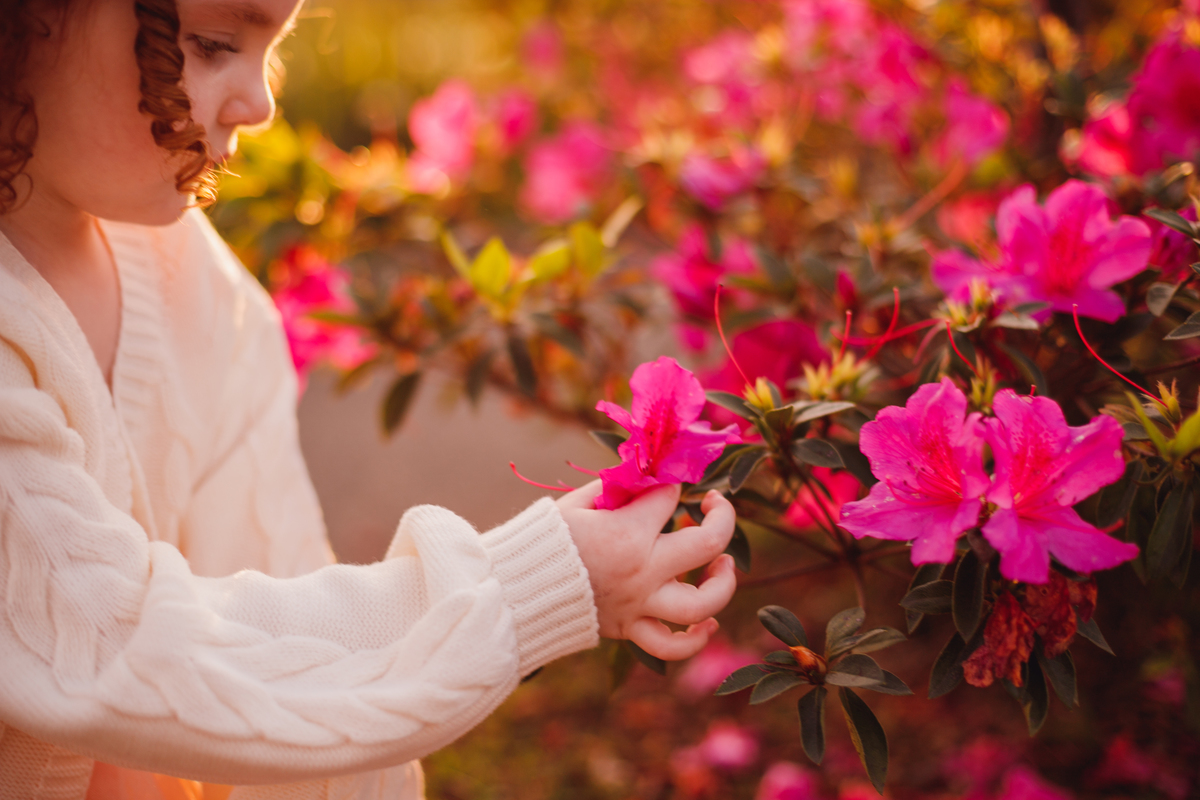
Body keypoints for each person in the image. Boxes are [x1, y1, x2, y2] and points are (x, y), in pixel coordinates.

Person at [0, 0, 739, 797]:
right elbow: (105, 637)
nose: (261, 103)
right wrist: (532, 586)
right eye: (213, 44)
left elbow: (277, 618)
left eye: (269, 49)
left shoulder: (196, 285)